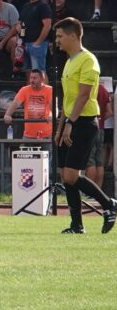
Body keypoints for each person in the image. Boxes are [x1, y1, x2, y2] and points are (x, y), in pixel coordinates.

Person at [52, 17, 116, 234]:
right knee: (66, 176)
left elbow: (83, 95)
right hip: (70, 122)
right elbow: (68, 99)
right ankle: (76, 225)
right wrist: (61, 126)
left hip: (84, 123)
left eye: (60, 36)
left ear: (73, 36)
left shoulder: (88, 60)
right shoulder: (70, 61)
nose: (57, 40)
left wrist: (70, 123)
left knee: (71, 175)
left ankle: (109, 204)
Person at [2, 68, 54, 141]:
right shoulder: (25, 90)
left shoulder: (50, 90)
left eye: (35, 78)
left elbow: (54, 107)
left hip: (46, 134)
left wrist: (52, 115)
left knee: (47, 152)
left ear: (42, 79)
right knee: (24, 151)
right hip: (29, 134)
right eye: (31, 78)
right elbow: (15, 103)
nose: (32, 80)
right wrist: (7, 114)